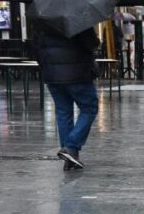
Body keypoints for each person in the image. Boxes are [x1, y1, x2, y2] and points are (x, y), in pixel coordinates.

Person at [34, 21, 100, 171]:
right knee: (89, 108)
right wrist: (96, 41)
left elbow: (36, 49)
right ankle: (70, 147)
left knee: (63, 112)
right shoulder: (78, 18)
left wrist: (47, 66)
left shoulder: (41, 20)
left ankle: (70, 156)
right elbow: (91, 43)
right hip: (78, 74)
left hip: (52, 75)